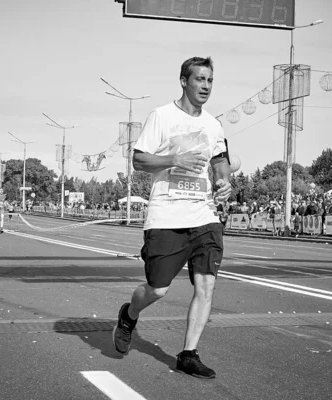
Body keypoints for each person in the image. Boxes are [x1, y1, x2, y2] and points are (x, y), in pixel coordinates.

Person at [112, 57, 232, 379]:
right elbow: (138, 159)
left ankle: (188, 353)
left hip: (204, 215)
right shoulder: (161, 117)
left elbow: (221, 161)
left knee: (206, 285)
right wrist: (173, 158)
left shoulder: (214, 125)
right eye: (200, 79)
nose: (206, 86)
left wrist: (224, 182)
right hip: (166, 215)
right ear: (183, 80)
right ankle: (129, 314)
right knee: (157, 289)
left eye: (210, 80)